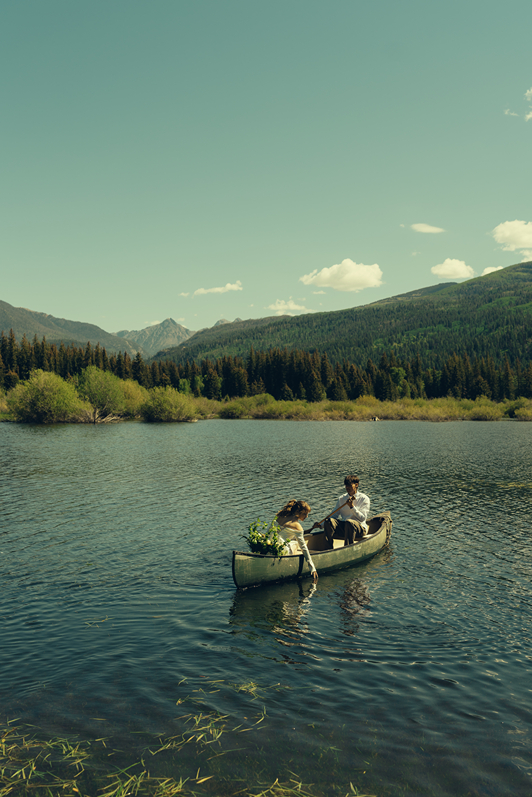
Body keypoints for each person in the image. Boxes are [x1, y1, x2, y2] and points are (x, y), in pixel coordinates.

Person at [310, 475, 370, 549]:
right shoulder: (342, 498)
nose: (347, 487)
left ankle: (348, 548)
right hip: (345, 528)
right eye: (346, 485)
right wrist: (321, 525)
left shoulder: (364, 499)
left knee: (349, 522)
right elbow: (334, 515)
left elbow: (362, 518)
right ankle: (328, 549)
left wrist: (352, 507)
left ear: (356, 485)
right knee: (329, 521)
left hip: (359, 529)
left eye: (349, 485)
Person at [276, 500, 319, 582]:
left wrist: (312, 528)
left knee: (292, 541)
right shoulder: (297, 526)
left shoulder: (280, 517)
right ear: (297, 512)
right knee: (296, 543)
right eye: (304, 514)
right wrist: (312, 567)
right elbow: (304, 548)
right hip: (282, 550)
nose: (306, 516)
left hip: (272, 544)